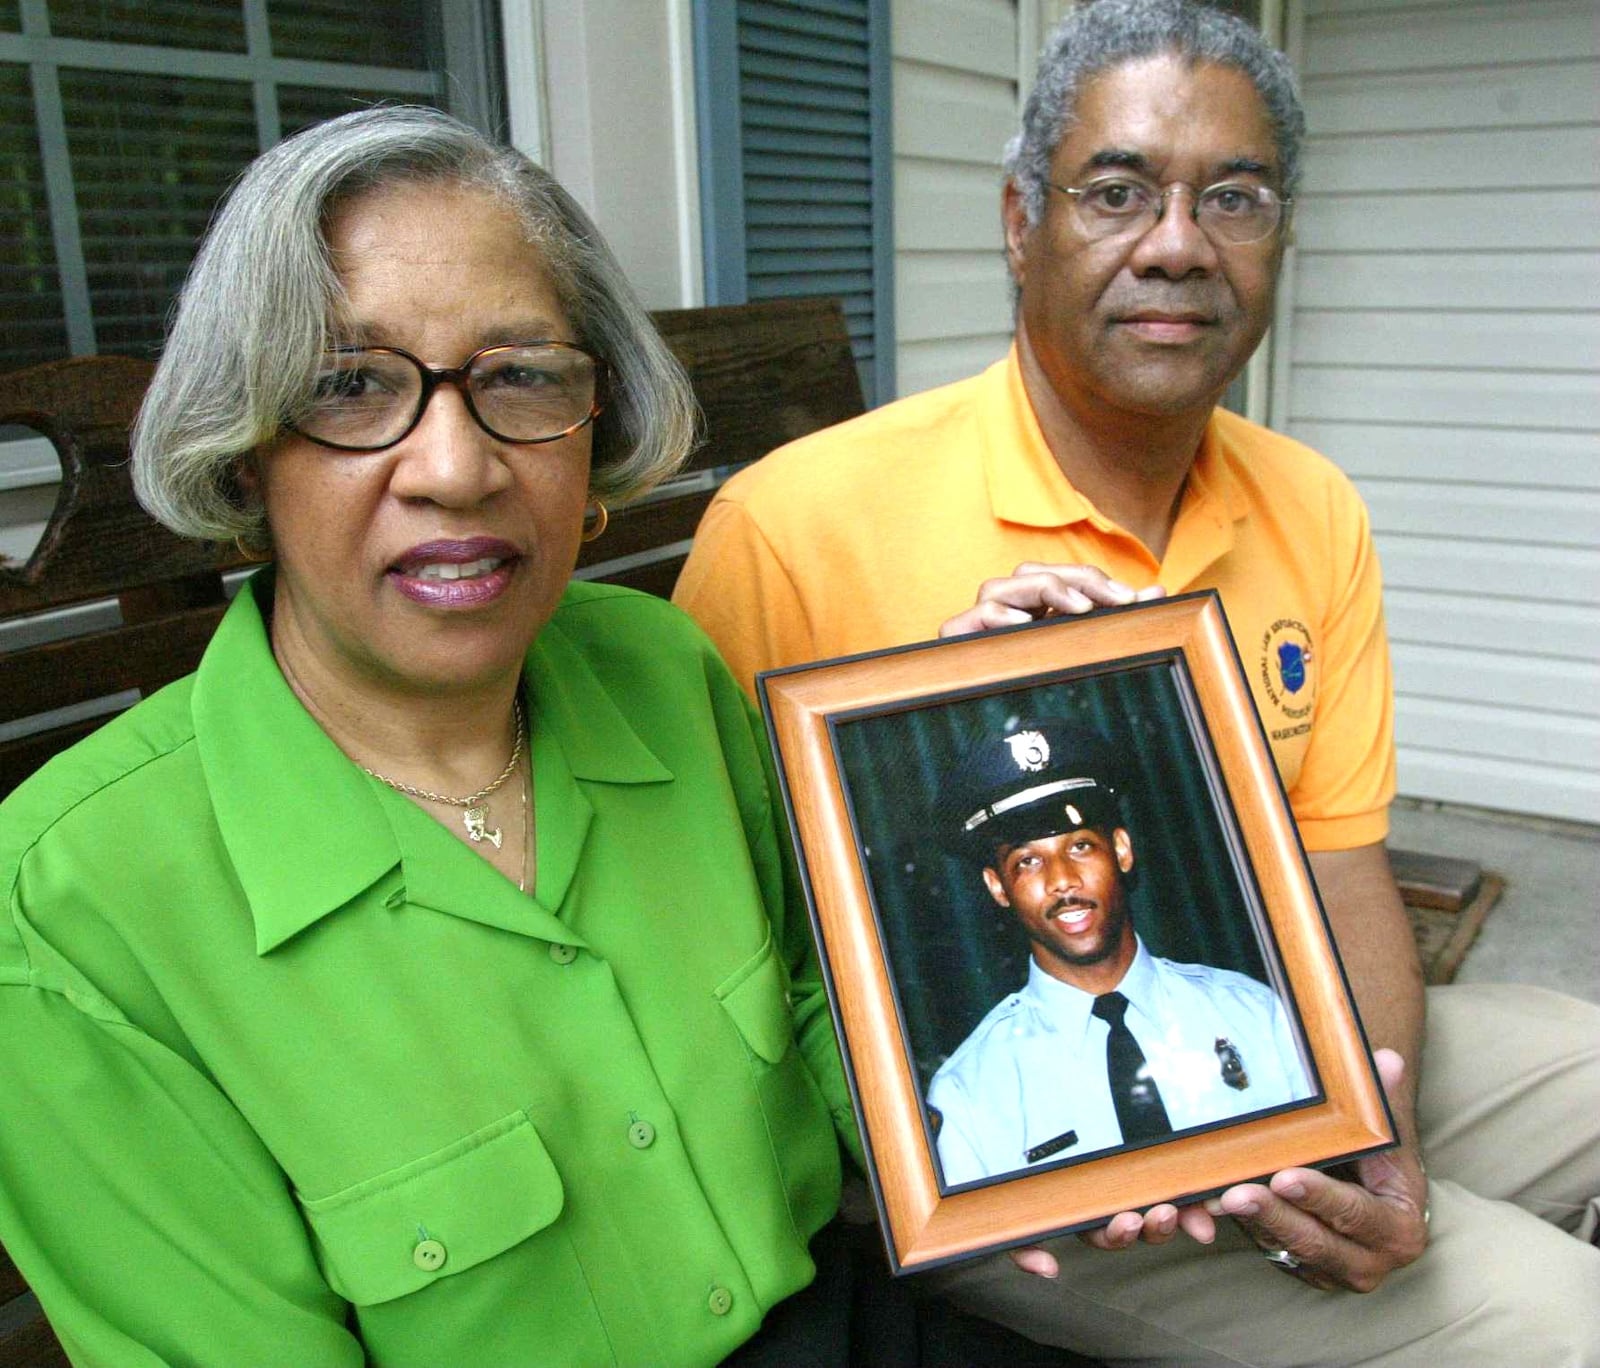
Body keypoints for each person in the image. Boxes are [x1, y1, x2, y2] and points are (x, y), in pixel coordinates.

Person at [675, 1, 1600, 1361]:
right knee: (1544, 1314)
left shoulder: (1311, 506)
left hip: (1251, 1051)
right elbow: (710, 941)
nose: (1177, 244)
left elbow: (1341, 869)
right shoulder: (794, 529)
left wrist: (1374, 1138)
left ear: (1279, 238)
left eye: (1233, 197)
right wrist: (919, 743)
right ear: (1016, 225)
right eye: (1117, 191)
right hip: (991, 1154)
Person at [0, 106, 867, 1367]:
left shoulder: (660, 666)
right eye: (350, 387)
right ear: (247, 456)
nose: (455, 470)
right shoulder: (69, 915)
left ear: (594, 423)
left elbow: (816, 1000)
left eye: (521, 375)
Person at [927, 719, 1311, 1187]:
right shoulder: (970, 1092)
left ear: (1122, 851)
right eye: (1027, 862)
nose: (1062, 879)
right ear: (997, 887)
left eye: (1081, 846)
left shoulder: (1254, 1014)